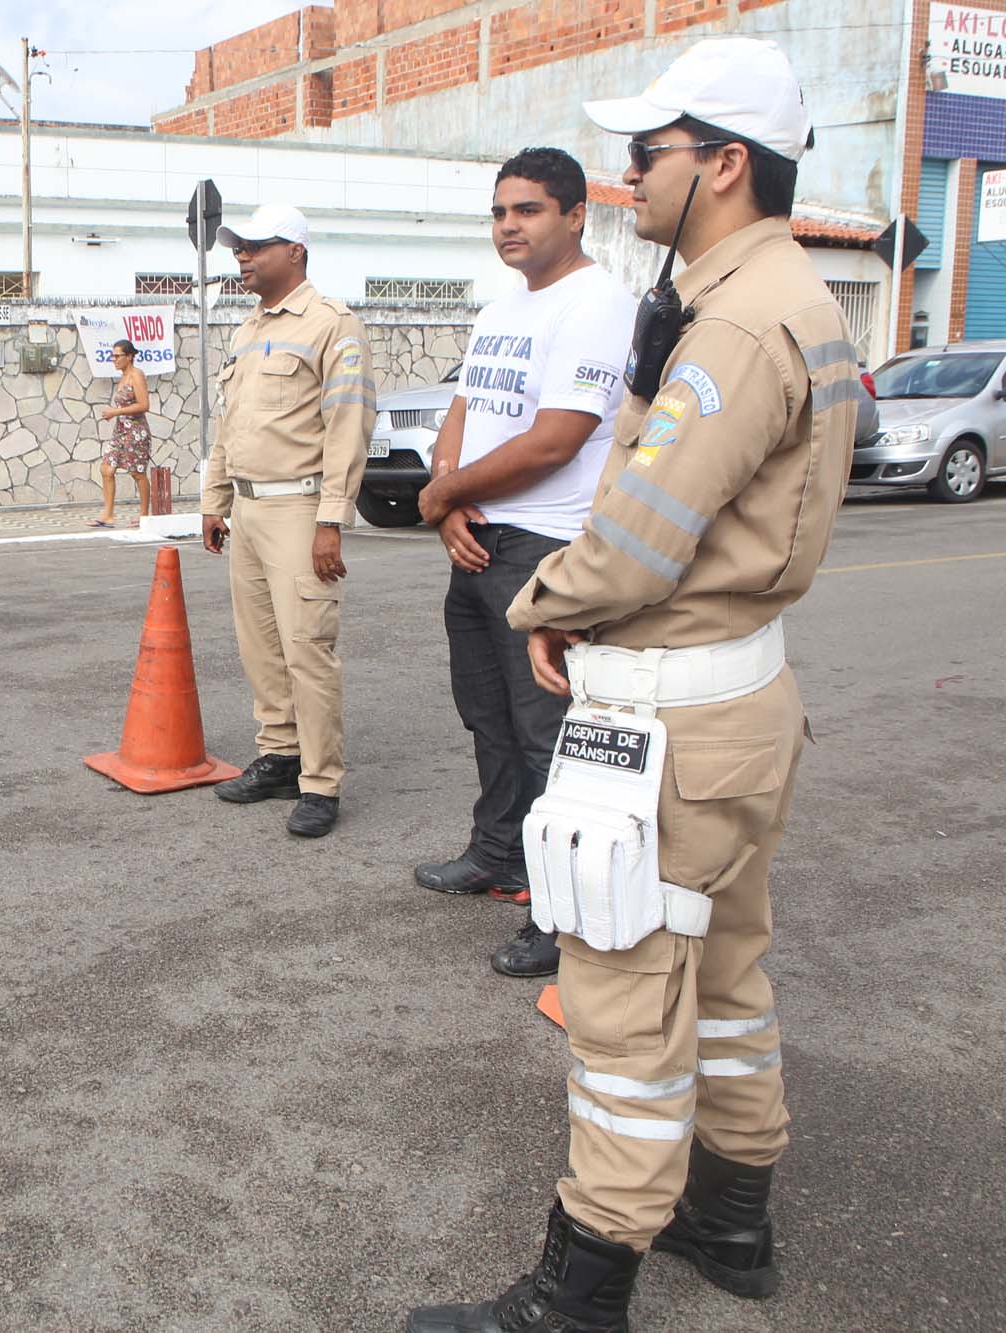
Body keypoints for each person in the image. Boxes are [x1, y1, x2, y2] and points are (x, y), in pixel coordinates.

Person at [407, 38, 859, 1332]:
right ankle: (731, 1217)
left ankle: (583, 1281)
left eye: (647, 155)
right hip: (745, 702)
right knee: (724, 979)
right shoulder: (797, 297)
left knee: (620, 1001)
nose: (628, 175)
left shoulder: (733, 321)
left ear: (722, 164)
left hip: (669, 717)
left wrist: (548, 602)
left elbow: (646, 532)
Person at [411, 148, 636, 981]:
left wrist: (445, 499)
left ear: (576, 215)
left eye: (529, 210)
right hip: (479, 537)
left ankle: (557, 909)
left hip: (547, 547)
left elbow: (556, 440)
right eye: (501, 211)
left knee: (549, 737)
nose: (510, 225)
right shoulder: (504, 305)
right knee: (488, 717)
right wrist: (449, 498)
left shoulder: (597, 305)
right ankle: (497, 853)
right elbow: (466, 412)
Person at [200, 204, 375, 839]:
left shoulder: (332, 325)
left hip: (300, 509)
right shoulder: (248, 330)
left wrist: (332, 519)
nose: (242, 258)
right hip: (247, 509)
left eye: (254, 247)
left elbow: (347, 427)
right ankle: (279, 754)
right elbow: (231, 425)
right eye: (237, 248)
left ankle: (321, 782)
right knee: (262, 649)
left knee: (308, 651)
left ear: (294, 251)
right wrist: (215, 501)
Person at [91, 339, 151, 527]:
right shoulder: (123, 376)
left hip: (136, 431)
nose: (114, 359)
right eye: (113, 355)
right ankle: (108, 515)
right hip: (121, 431)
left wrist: (115, 412)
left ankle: (144, 515)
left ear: (130, 356)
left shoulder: (136, 375)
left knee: (137, 472)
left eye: (118, 356)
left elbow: (143, 405)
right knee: (106, 468)